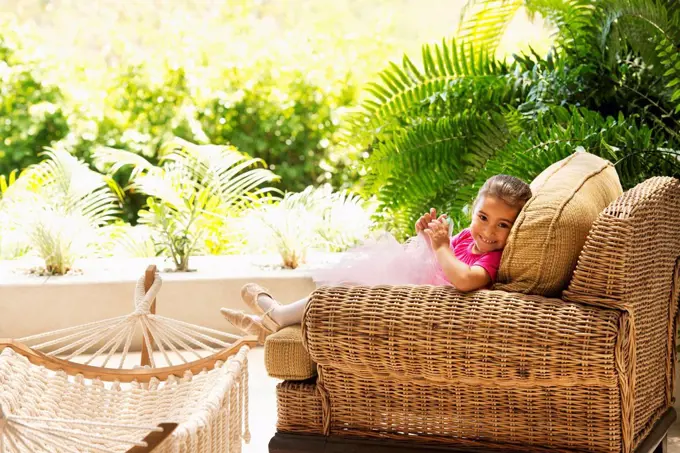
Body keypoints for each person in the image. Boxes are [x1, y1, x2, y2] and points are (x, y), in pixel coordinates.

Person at [221, 174, 532, 343]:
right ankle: (275, 323)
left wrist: (440, 248)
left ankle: (276, 314)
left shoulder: (492, 261)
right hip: (413, 291)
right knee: (346, 287)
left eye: (503, 225)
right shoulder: (465, 237)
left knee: (350, 291)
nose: (489, 231)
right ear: (473, 210)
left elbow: (463, 279)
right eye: (483, 217)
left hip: (420, 308)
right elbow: (437, 261)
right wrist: (427, 237)